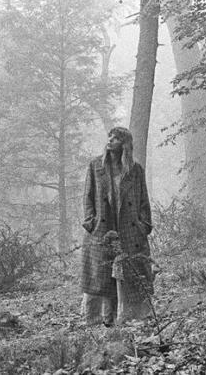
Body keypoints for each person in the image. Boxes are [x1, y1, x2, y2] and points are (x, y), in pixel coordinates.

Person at [79, 126, 153, 326]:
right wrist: (90, 221)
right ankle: (99, 320)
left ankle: (129, 318)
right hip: (102, 229)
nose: (110, 140)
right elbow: (87, 196)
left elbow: (143, 200)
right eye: (110, 136)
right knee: (100, 276)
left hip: (129, 230)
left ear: (125, 144)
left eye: (116, 138)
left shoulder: (135, 170)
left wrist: (144, 225)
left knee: (129, 273)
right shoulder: (95, 166)